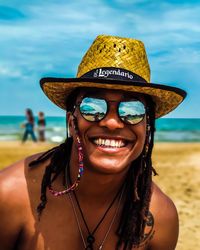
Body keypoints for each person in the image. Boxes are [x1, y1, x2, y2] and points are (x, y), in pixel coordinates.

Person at [0, 35, 186, 250]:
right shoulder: (11, 197)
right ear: (72, 121)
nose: (113, 123)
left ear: (148, 127)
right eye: (92, 107)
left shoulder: (160, 217)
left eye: (132, 110)